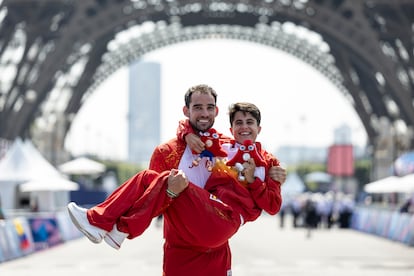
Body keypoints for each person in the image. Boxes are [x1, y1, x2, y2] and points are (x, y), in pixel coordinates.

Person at [68, 85, 285, 275]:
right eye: (197, 107)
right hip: (181, 245)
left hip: (216, 236)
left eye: (209, 108)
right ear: (186, 111)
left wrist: (258, 179)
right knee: (155, 179)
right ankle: (111, 227)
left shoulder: (228, 147)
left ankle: (112, 227)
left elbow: (271, 204)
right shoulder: (168, 152)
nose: (204, 113)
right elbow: (151, 201)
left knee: (161, 179)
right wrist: (172, 187)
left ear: (216, 112)